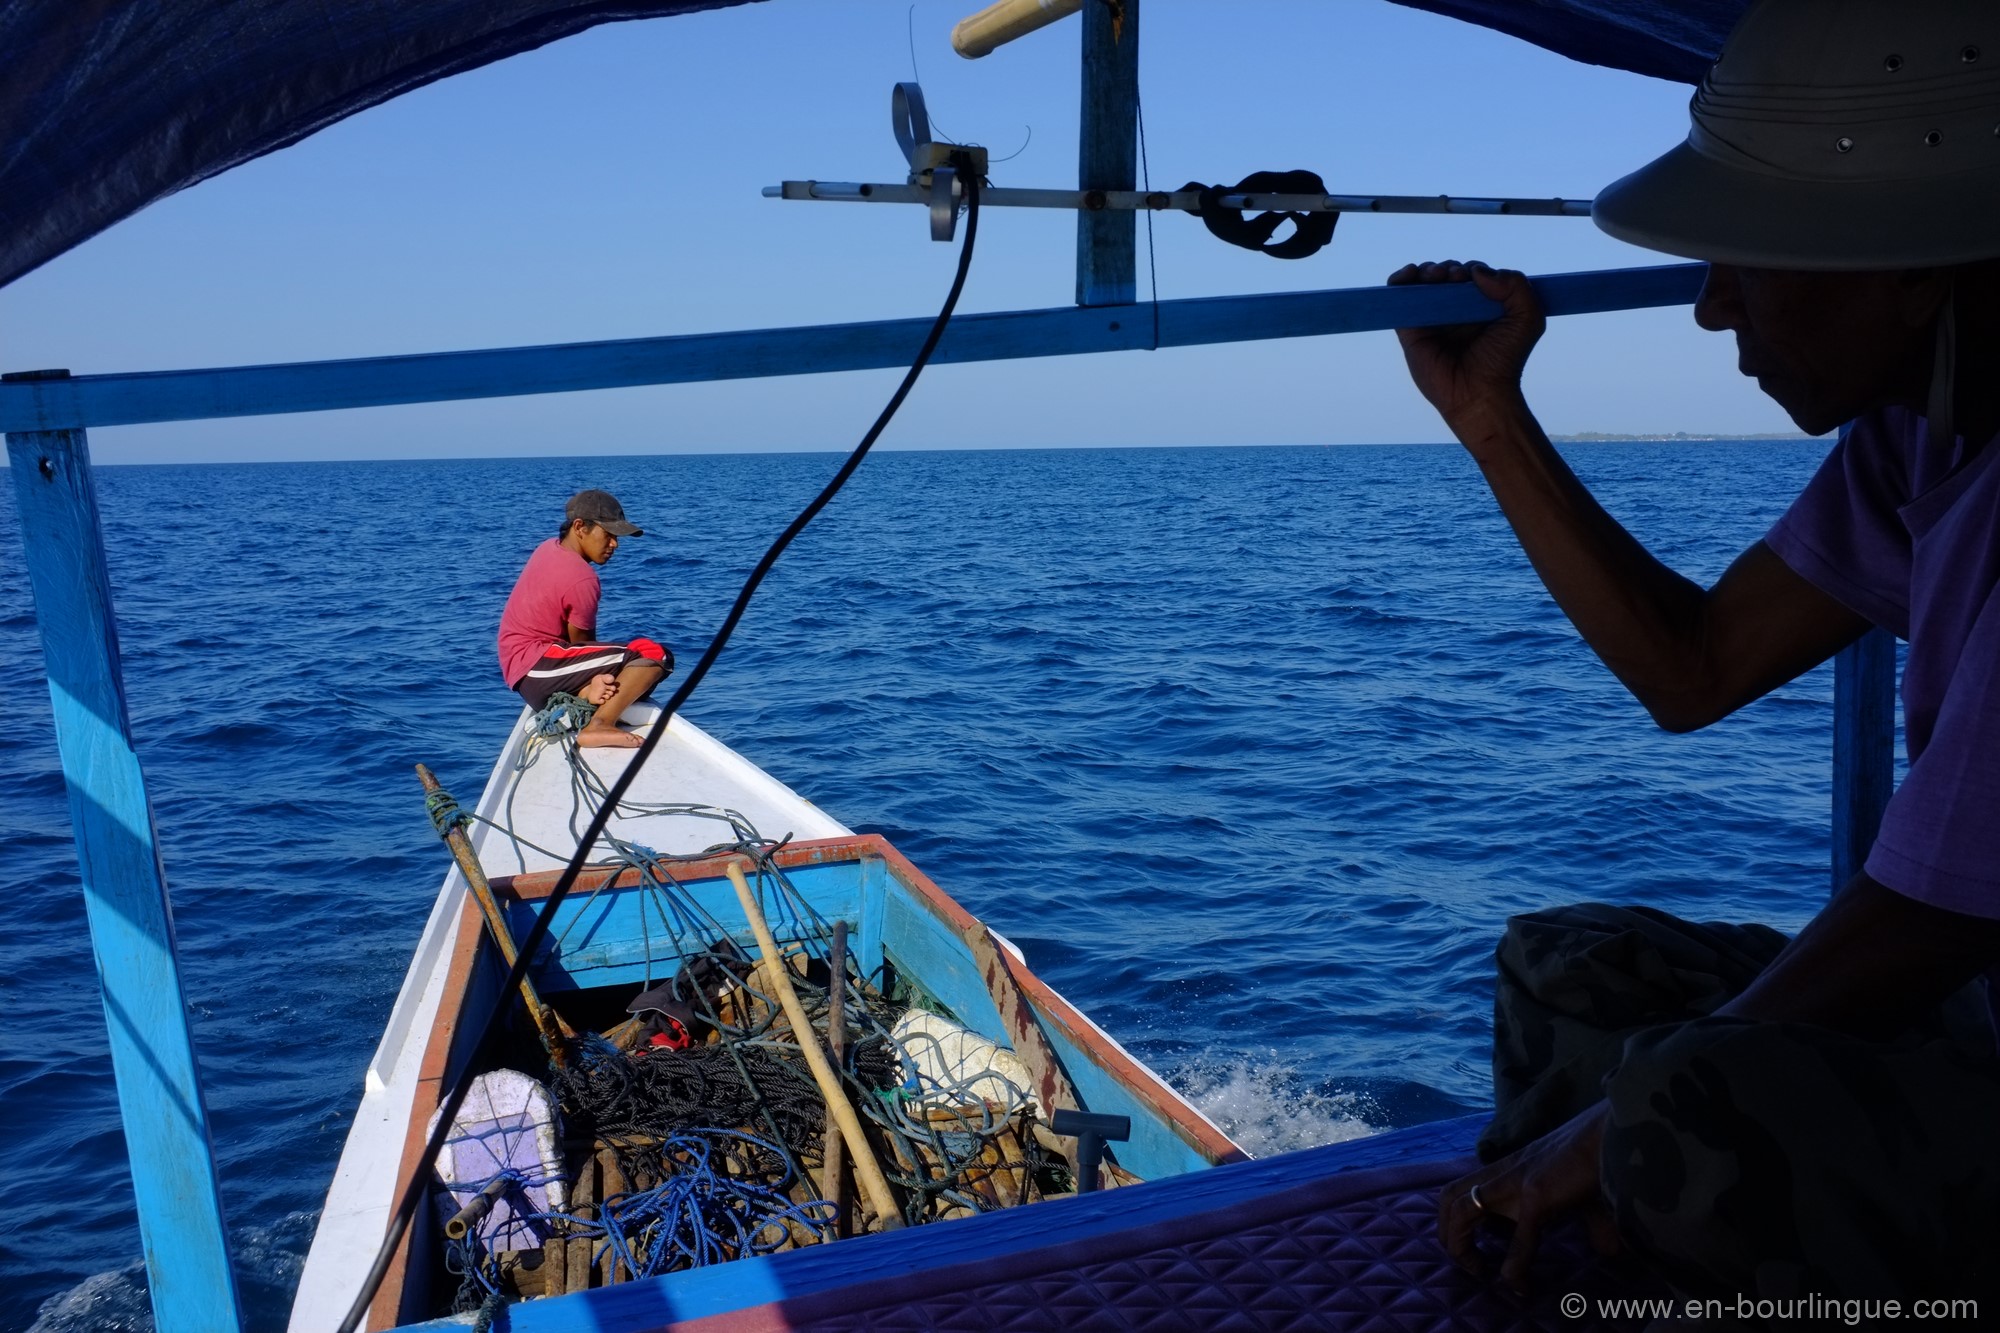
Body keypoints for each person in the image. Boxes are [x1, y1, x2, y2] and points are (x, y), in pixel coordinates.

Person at [1390, 0, 2000, 1308]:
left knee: (1675, 1107)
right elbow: (1696, 665)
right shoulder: (1924, 432)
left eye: (1752, 260)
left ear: (1913, 267)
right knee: (1570, 966)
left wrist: (1612, 1121)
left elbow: (1930, 920)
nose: (1714, 311)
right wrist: (1492, 418)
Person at [498, 489, 672, 749]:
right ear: (580, 527)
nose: (615, 544)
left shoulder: (548, 548)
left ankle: (585, 693)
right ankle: (600, 725)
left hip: (523, 673)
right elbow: (581, 645)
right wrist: (603, 674)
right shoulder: (582, 577)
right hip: (538, 668)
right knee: (655, 654)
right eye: (609, 534)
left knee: (625, 663)